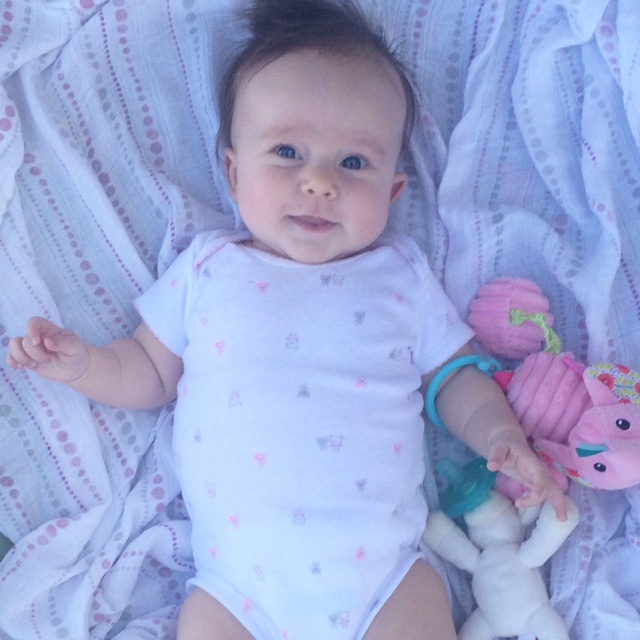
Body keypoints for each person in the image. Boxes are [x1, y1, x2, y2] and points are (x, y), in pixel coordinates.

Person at [7, 1, 567, 638]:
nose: (319, 182)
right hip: (237, 594)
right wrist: (84, 365)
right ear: (233, 171)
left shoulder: (401, 277)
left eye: (353, 163)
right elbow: (147, 371)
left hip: (383, 581)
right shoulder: (207, 269)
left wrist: (497, 433)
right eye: (287, 152)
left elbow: (454, 379)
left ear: (392, 191)